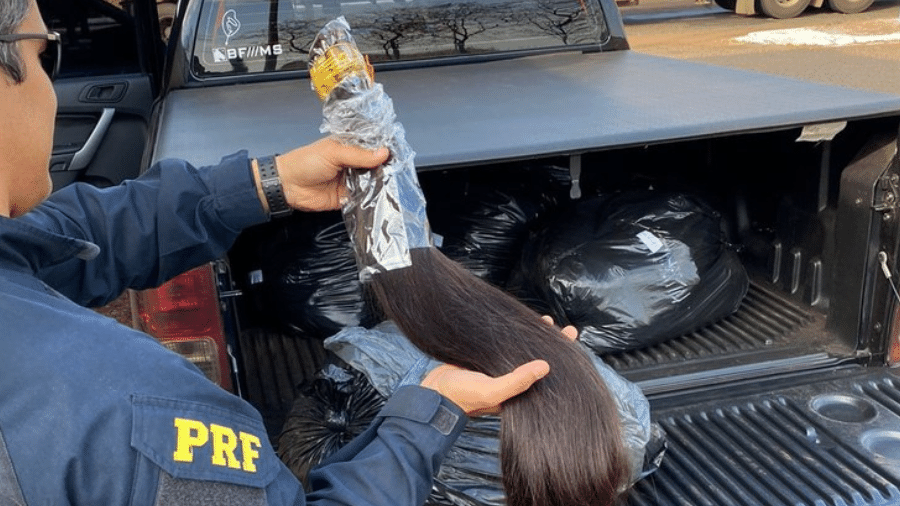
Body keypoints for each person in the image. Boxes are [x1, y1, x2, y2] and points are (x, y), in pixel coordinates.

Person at [0, 0, 556, 504]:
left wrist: (269, 181)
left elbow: (74, 234)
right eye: (46, 53)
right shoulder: (133, 413)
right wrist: (431, 412)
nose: (50, 87)